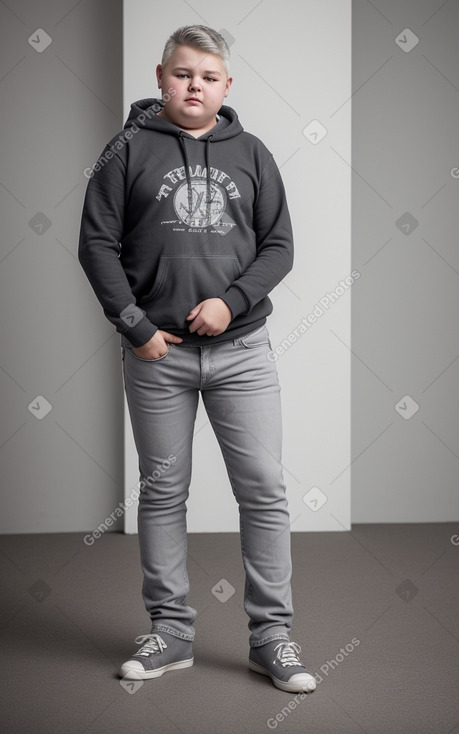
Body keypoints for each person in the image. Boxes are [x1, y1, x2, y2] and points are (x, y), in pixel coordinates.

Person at [78, 24, 316, 694]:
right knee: (161, 492)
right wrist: (133, 327)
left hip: (242, 352)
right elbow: (95, 244)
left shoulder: (254, 154)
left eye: (207, 77)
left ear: (226, 86)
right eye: (182, 75)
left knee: (264, 491)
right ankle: (171, 632)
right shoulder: (125, 149)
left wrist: (230, 301)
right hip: (156, 356)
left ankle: (272, 638)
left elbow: (278, 246)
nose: (194, 87)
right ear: (160, 79)